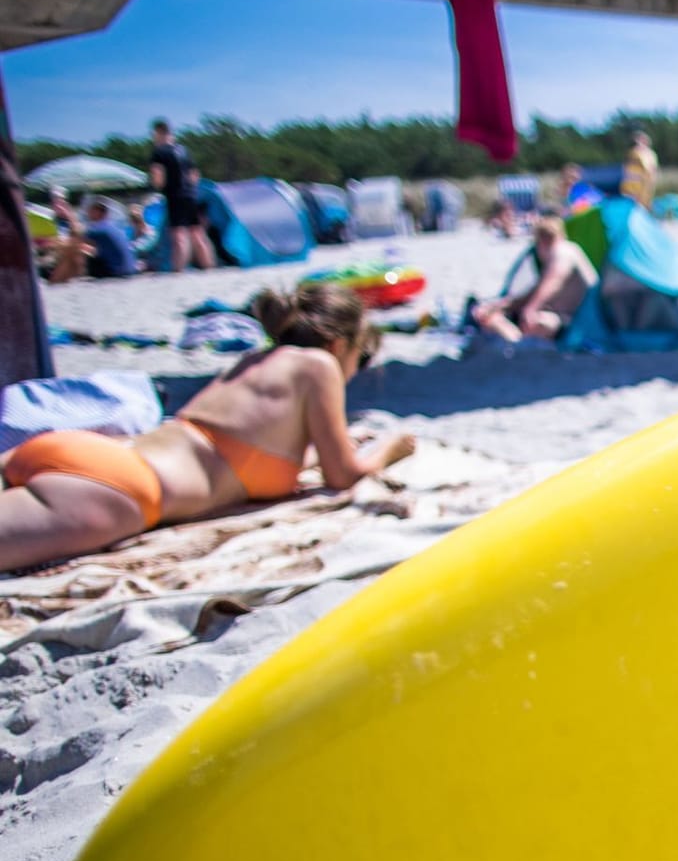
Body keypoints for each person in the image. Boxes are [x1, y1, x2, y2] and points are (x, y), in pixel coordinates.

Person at [0, 283, 415, 573]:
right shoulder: (319, 364)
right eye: (360, 359)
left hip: (90, 454)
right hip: (121, 487)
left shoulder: (254, 361)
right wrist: (391, 449)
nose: (353, 371)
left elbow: (239, 451)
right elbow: (342, 476)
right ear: (339, 344)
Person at [470, 216, 598, 344]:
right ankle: (516, 340)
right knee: (492, 316)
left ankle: (516, 342)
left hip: (579, 323)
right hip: (571, 319)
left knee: (541, 323)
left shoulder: (564, 251)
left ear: (541, 242)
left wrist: (530, 309)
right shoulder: (556, 256)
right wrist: (498, 306)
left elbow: (554, 282)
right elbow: (533, 293)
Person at [148, 119, 216, 272]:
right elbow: (194, 174)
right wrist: (191, 189)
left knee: (179, 234)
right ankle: (209, 265)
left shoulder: (159, 151)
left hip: (175, 195)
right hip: (191, 194)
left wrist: (158, 187)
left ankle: (178, 269)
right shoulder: (183, 150)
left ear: (158, 132)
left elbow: (157, 175)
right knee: (197, 232)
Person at [48, 199, 141, 283]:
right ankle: (60, 278)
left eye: (91, 210)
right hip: (128, 270)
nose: (87, 213)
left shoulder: (99, 228)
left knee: (73, 249)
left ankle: (56, 280)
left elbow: (77, 232)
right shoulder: (112, 227)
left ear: (99, 213)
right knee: (79, 248)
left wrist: (68, 214)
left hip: (116, 273)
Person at [621, 131, 658, 208]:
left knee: (643, 203)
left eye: (640, 140)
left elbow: (652, 169)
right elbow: (626, 166)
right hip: (631, 183)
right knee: (630, 202)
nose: (638, 142)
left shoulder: (650, 154)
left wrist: (652, 180)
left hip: (644, 183)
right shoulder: (633, 152)